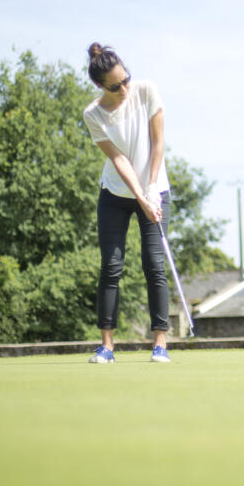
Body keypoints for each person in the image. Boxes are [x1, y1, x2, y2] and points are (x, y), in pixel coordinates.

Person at [82, 43, 173, 364]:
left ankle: (159, 343)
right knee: (111, 266)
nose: (124, 89)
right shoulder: (92, 115)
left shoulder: (146, 91)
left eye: (126, 80)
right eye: (115, 86)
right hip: (115, 195)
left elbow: (159, 142)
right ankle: (107, 346)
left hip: (155, 187)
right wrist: (140, 196)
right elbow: (119, 159)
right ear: (99, 86)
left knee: (154, 264)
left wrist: (151, 189)